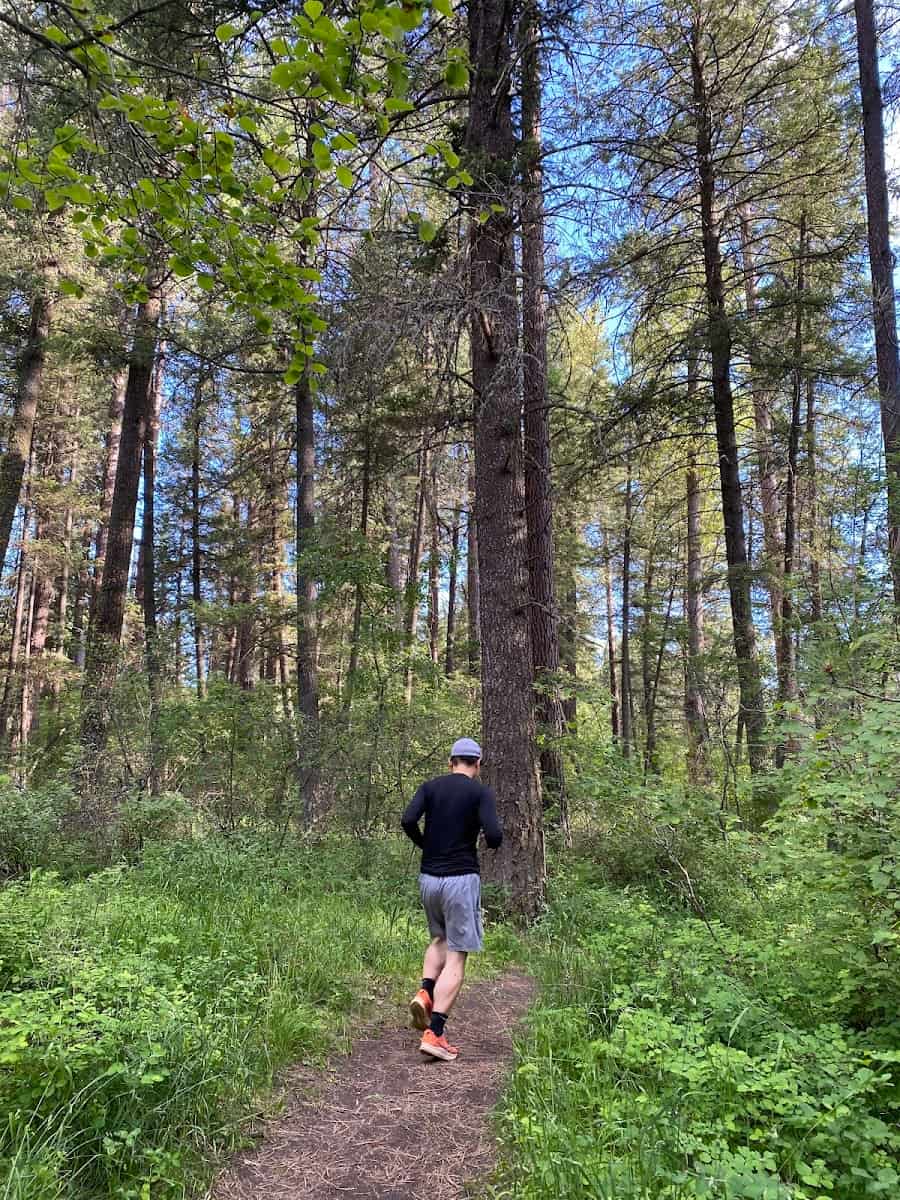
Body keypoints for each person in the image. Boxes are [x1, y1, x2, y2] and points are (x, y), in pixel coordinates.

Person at [400, 737, 503, 1062]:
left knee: (439, 938)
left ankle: (425, 991)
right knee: (457, 956)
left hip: (429, 878)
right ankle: (436, 1033)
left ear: (451, 762)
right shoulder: (480, 792)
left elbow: (407, 820)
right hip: (460, 879)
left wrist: (425, 844)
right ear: (478, 764)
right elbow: (495, 835)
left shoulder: (430, 787)